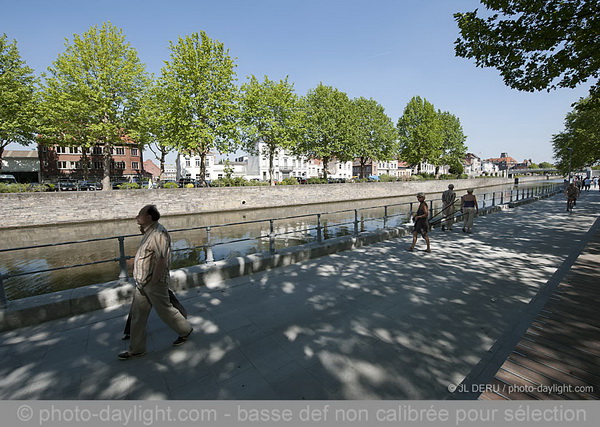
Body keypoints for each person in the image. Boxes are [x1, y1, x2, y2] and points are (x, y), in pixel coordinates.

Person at [118, 205, 193, 360]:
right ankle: (136, 349)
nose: (136, 217)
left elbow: (162, 259)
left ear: (149, 217)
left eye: (139, 215)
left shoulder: (159, 233)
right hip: (142, 283)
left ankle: (185, 330)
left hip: (153, 282)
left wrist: (154, 280)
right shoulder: (149, 231)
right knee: (138, 316)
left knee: (165, 311)